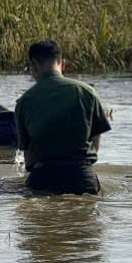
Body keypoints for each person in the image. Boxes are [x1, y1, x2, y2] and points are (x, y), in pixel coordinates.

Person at [15, 40, 111, 195]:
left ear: (33, 66)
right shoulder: (87, 92)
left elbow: (27, 154)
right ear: (63, 64)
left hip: (42, 179)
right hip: (82, 179)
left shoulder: (24, 102)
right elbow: (95, 141)